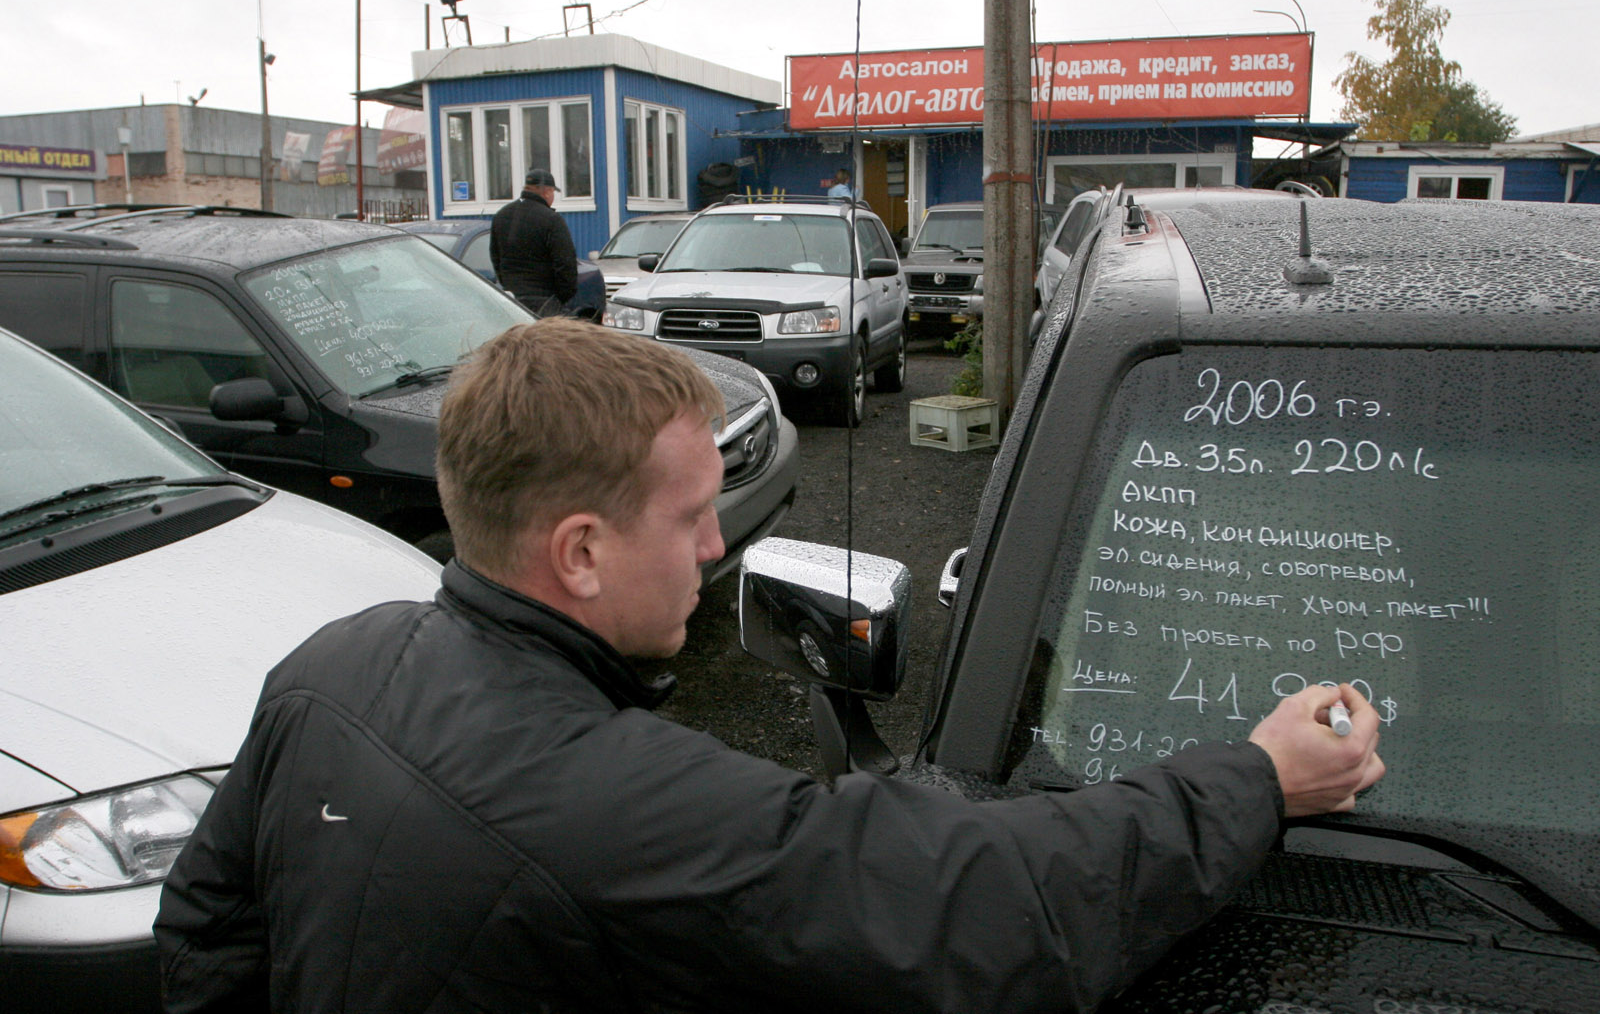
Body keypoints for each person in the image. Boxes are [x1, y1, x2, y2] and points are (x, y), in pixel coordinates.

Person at [154, 319, 1385, 1014]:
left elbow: (207, 931)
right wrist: (1257, 775)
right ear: (578, 552)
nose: (715, 545)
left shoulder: (328, 665)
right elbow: (992, 902)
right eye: (691, 515)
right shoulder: (626, 803)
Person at [489, 167, 579, 317]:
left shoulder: (501, 215)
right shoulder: (551, 220)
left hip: (510, 302)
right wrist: (560, 298)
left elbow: (495, 256)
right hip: (544, 302)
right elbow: (566, 264)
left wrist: (508, 286)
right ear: (547, 192)